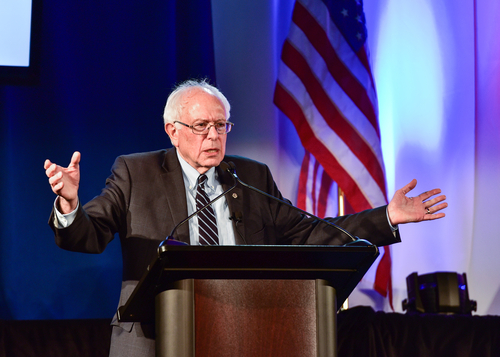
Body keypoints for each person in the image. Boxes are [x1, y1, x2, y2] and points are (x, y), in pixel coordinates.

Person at [44, 79, 447, 357]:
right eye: (201, 126)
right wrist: (69, 204)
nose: (214, 136)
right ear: (173, 130)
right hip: (153, 338)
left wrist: (387, 217)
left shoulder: (250, 177)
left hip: (243, 332)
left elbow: (311, 233)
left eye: (221, 126)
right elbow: (89, 234)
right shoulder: (137, 173)